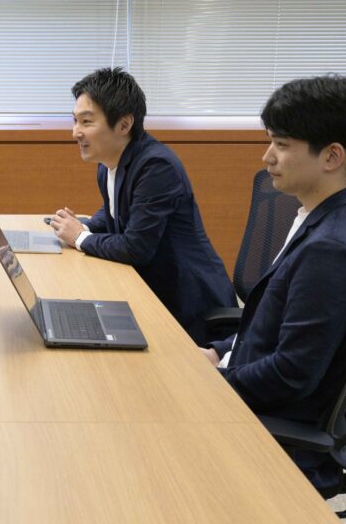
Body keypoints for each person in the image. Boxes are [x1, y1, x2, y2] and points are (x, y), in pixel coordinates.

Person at [201, 75, 346, 491]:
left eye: (282, 145)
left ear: (332, 156)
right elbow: (276, 325)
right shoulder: (327, 213)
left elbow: (291, 373)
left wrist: (209, 383)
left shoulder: (331, 249)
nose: (267, 157)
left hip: (278, 427)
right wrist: (219, 352)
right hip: (256, 382)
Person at [49, 67, 236, 344]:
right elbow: (114, 212)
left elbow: (136, 248)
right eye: (75, 121)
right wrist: (84, 225)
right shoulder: (108, 163)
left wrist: (79, 237)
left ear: (124, 125)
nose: (76, 132)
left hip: (187, 306)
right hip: (151, 290)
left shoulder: (155, 166)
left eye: (87, 122)